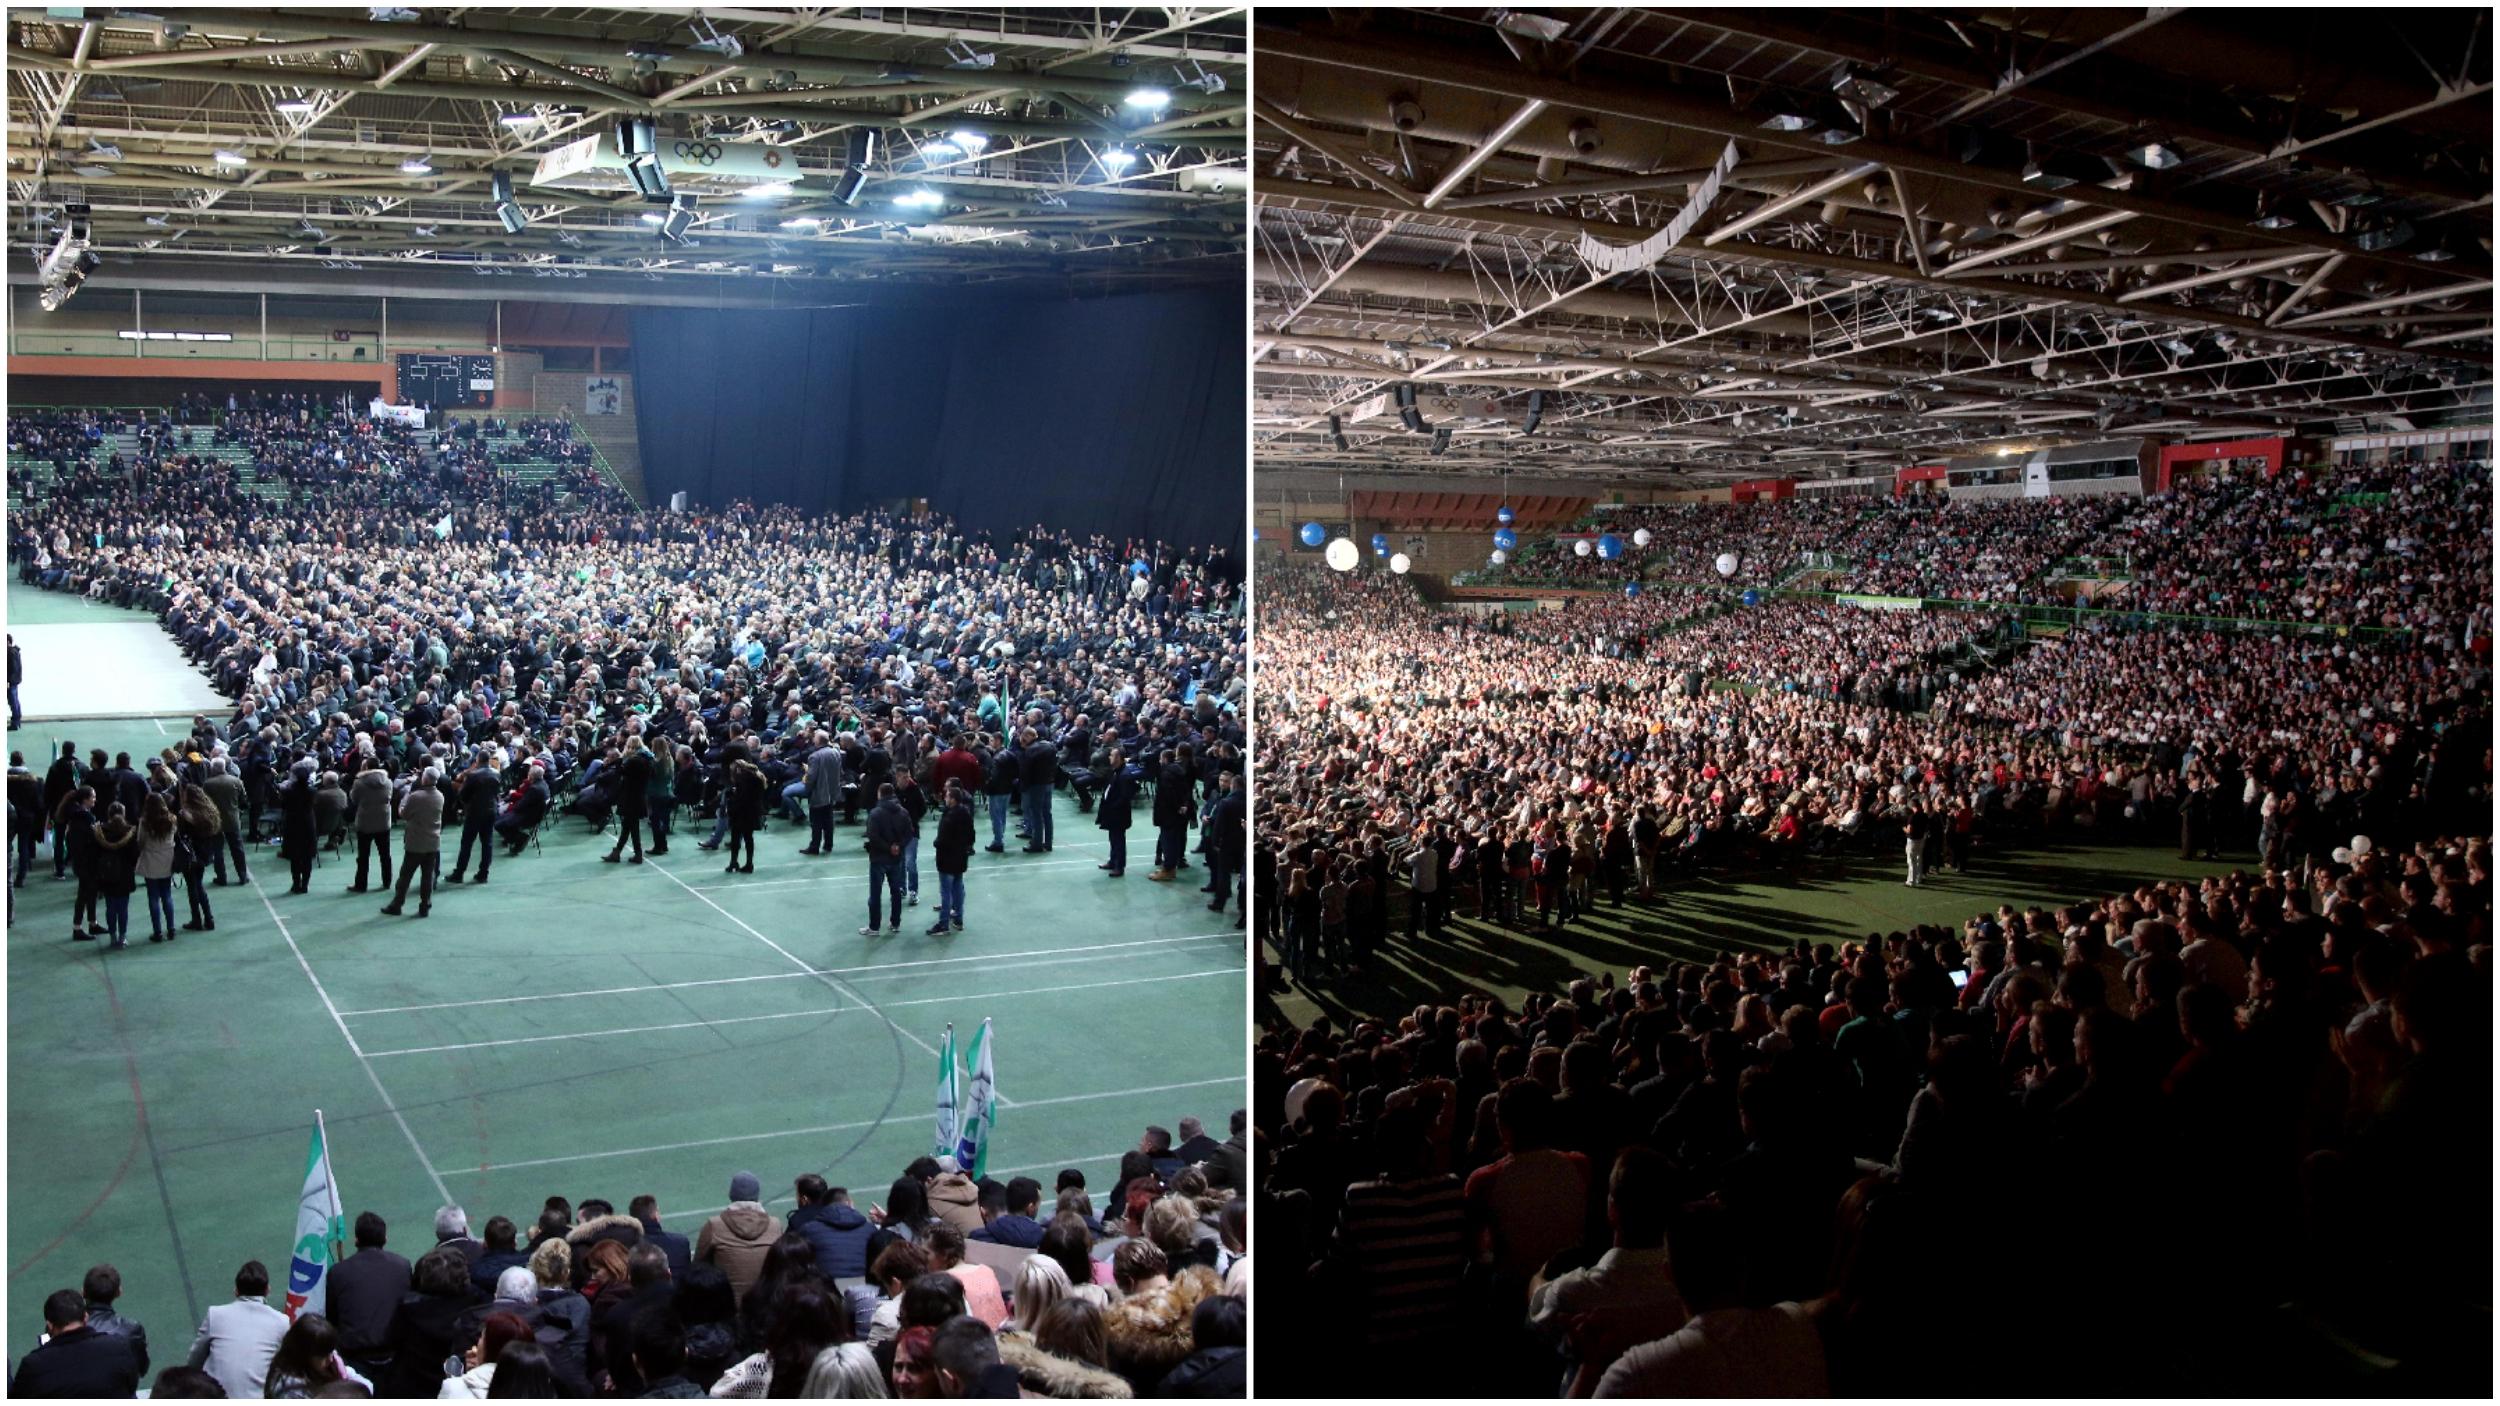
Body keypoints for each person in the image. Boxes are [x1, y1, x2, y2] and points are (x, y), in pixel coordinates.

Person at [10, 1288, 141, 1397]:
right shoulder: (119, 1347)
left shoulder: (33, 1366)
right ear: (86, 1317)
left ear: (49, 1325)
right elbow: (131, 1386)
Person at [186, 1261, 290, 1399]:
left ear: (236, 1291)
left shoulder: (215, 1315)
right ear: (267, 1290)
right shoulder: (281, 1321)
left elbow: (194, 1360)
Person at [326, 1211, 409, 1383]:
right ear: (385, 1238)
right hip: (396, 1355)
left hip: (355, 1358)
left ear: (356, 1240)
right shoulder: (402, 1266)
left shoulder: (338, 1272)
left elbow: (332, 1319)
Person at [695, 1171, 785, 1307]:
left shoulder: (714, 1225)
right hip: (766, 1307)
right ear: (757, 1196)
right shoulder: (775, 1226)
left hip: (727, 1308)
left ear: (732, 1195)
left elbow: (697, 1267)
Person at [259, 1312, 369, 1396]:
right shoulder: (290, 1389)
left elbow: (368, 1388)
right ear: (304, 1354)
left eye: (331, 1352)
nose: (330, 1359)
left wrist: (344, 1374)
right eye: (323, 1356)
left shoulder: (327, 1364)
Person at [382, 766, 443, 917]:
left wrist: (403, 802)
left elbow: (405, 814)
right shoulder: (440, 796)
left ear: (426, 779)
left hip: (416, 841)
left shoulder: (416, 796)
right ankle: (425, 905)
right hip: (433, 841)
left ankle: (397, 904)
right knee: (427, 876)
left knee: (405, 876)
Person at [861, 783, 911, 936]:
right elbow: (909, 833)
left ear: (880, 794)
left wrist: (887, 847)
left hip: (879, 858)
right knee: (896, 892)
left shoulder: (875, 813)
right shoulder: (903, 812)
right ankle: (895, 923)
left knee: (875, 893)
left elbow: (873, 836)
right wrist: (898, 847)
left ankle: (874, 927)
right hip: (896, 859)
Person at [445, 753, 499, 886]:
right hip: (491, 810)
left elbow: (463, 794)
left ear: (478, 760)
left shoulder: (473, 775)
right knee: (487, 843)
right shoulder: (496, 773)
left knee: (467, 843)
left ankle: (459, 873)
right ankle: (483, 873)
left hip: (474, 812)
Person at [927, 780, 973, 935]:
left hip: (947, 859)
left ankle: (943, 924)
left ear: (953, 799)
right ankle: (958, 919)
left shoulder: (949, 818)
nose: (945, 798)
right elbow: (971, 836)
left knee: (946, 892)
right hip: (960, 858)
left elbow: (942, 841)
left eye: (947, 796)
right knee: (958, 888)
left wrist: (936, 843)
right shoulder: (966, 813)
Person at [91, 800, 139, 948]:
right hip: (125, 875)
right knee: (123, 908)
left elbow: (95, 853)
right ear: (124, 814)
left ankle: (112, 936)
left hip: (106, 874)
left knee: (110, 907)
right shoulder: (129, 831)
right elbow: (134, 855)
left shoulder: (100, 831)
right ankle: (122, 937)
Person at [346, 754, 395, 894]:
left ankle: (361, 884)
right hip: (383, 820)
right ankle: (387, 881)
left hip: (365, 820)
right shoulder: (387, 781)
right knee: (385, 854)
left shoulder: (359, 782)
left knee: (363, 856)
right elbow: (389, 797)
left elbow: (354, 799)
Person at [175, 781, 220, 931]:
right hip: (204, 852)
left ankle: (198, 919)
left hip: (190, 854)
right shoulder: (209, 812)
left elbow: (180, 835)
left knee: (193, 887)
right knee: (198, 884)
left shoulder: (185, 815)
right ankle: (208, 918)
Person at [135, 795, 180, 943]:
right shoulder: (172, 819)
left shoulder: (144, 821)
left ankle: (158, 932)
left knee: (153, 897)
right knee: (167, 895)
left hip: (150, 860)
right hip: (167, 859)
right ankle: (171, 929)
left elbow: (140, 841)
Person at [605, 736, 654, 865]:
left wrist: (619, 760)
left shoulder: (633, 761)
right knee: (630, 827)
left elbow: (620, 774)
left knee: (631, 827)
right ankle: (620, 852)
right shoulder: (647, 759)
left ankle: (634, 853)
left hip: (630, 797)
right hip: (639, 796)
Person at [1095, 748, 1137, 878]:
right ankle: (1113, 861)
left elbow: (1125, 797)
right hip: (1112, 813)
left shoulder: (1124, 775)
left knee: (1118, 841)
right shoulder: (1115, 772)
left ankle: (1119, 866)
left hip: (1119, 814)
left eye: (1112, 756)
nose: (1109, 758)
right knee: (1113, 839)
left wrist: (1112, 807)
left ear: (1118, 758)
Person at [801, 731, 844, 857]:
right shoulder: (836, 752)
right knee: (828, 820)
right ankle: (828, 844)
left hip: (819, 793)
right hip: (832, 792)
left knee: (816, 822)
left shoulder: (814, 756)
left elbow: (811, 777)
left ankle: (814, 847)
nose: (813, 739)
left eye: (815, 737)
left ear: (819, 741)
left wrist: (807, 786)